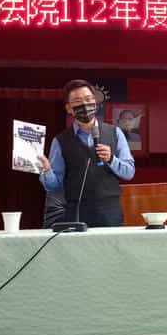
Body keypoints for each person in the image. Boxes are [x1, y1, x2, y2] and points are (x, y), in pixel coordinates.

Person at [37, 80, 135, 227]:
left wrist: (111, 159)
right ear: (69, 108)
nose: (84, 104)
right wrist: (46, 170)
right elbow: (54, 187)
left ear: (95, 103)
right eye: (78, 101)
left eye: (88, 99)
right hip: (76, 213)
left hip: (110, 212)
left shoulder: (115, 133)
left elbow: (129, 173)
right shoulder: (60, 141)